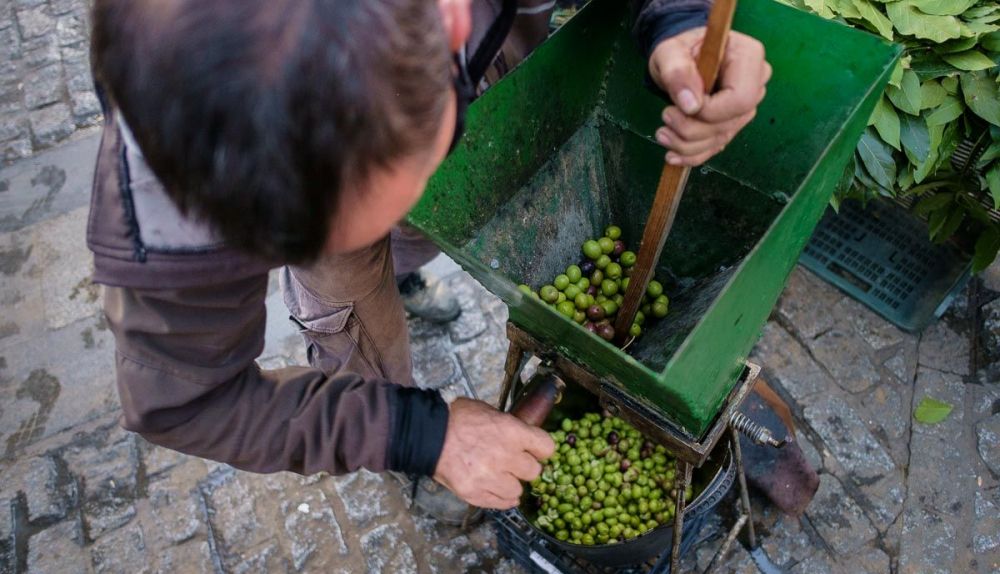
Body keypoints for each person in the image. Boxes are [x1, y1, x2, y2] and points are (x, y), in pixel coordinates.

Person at [87, 0, 770, 519]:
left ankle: (403, 252)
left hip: (490, 43)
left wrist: (676, 21)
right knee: (348, 285)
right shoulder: (160, 209)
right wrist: (419, 435)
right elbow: (182, 402)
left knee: (412, 226)